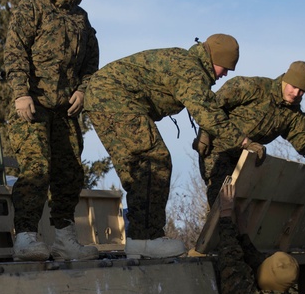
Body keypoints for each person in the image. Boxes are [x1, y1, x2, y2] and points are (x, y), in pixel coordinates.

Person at [84, 34, 248, 258]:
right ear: (214, 58)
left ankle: (138, 240)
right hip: (114, 98)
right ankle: (146, 240)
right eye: (226, 67)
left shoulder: (187, 63)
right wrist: (243, 142)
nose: (226, 74)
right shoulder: (190, 69)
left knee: (138, 170)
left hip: (103, 97)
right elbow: (207, 113)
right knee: (154, 160)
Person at [4, 0, 100, 262]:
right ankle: (26, 236)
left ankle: (64, 239)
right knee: (37, 167)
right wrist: (20, 92)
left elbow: (90, 63)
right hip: (31, 105)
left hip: (64, 111)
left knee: (70, 172)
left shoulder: (81, 20)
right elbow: (15, 49)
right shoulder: (33, 7)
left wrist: (84, 91)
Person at [197, 61, 305, 205]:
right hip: (218, 151)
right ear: (286, 80)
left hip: (246, 161)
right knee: (222, 203)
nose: (296, 93)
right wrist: (204, 134)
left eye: (302, 91)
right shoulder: (253, 87)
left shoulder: (293, 115)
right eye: (294, 87)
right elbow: (210, 106)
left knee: (244, 208)